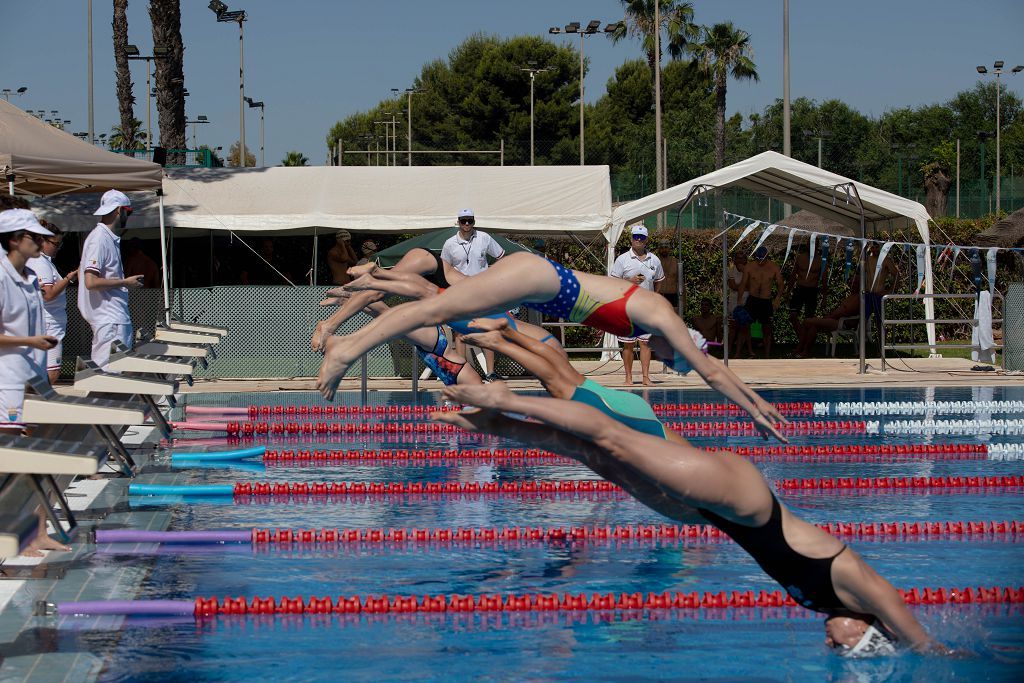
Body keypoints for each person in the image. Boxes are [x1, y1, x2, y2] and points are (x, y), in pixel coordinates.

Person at [433, 382, 942, 658]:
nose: (833, 643)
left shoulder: (834, 607)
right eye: (849, 645)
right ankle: (500, 397)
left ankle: (493, 423)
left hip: (717, 514)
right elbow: (893, 601)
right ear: (869, 630)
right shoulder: (857, 588)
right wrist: (929, 649)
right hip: (744, 503)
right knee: (613, 439)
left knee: (600, 460)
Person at [315, 252, 787, 443]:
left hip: (538, 287)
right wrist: (755, 405)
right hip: (541, 279)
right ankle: (346, 346)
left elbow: (704, 366)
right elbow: (713, 371)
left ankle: (355, 326)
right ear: (682, 345)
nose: (660, 357)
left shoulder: (654, 322)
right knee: (433, 307)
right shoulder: (663, 315)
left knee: (435, 300)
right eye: (668, 357)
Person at [456, 314, 702, 444]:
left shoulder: (690, 458)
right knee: (554, 380)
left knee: (562, 370)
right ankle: (502, 342)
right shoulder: (687, 467)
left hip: (635, 410)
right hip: (625, 415)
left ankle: (509, 333)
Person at [0, 209, 70, 557]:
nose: (43, 242)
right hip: (7, 381)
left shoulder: (27, 276)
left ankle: (36, 531)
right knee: (12, 462)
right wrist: (31, 342)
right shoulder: (1, 277)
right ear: (14, 239)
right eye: (34, 237)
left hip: (30, 375)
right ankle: (15, 535)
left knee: (40, 454)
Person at [78, 190, 144, 368]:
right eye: (128, 212)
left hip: (112, 319)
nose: (128, 216)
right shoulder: (99, 239)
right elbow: (90, 282)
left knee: (115, 378)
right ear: (118, 211)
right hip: (109, 321)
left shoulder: (105, 238)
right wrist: (125, 282)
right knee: (110, 378)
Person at [441, 209, 505, 381]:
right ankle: (464, 373)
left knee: (487, 331)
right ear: (458, 222)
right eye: (464, 221)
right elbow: (445, 270)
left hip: (483, 292)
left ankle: (490, 373)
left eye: (470, 221)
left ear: (474, 221)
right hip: (461, 293)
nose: (467, 224)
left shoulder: (484, 238)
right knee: (460, 334)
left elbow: (501, 257)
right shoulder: (449, 244)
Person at [610, 225, 665, 386]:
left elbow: (659, 281)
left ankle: (646, 377)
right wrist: (630, 281)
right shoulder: (623, 259)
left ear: (646, 239)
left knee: (645, 343)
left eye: (641, 237)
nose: (638, 240)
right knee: (628, 344)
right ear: (631, 239)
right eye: (636, 237)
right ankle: (628, 377)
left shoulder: (654, 260)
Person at [26, 221, 77, 384]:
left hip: (50, 322)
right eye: (56, 244)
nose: (58, 248)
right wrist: (68, 278)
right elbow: (48, 295)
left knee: (45, 371)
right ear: (43, 241)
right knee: (51, 373)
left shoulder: (44, 261)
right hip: (49, 323)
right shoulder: (41, 262)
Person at [737, 246, 784, 358]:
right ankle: (739, 353)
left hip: (766, 301)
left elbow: (780, 284)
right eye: (758, 259)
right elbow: (743, 284)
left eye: (762, 259)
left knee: (767, 329)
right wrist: (739, 299)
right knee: (744, 325)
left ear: (767, 256)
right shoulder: (750, 266)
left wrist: (777, 298)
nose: (760, 261)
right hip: (752, 299)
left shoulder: (774, 267)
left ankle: (767, 356)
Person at [794, 290, 860, 358]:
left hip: (842, 323)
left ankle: (801, 349)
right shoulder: (852, 296)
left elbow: (846, 312)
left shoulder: (858, 298)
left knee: (808, 321)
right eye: (852, 282)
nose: (852, 284)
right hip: (835, 320)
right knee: (812, 326)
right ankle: (804, 351)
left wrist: (831, 316)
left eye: (855, 282)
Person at [864, 243, 899, 343]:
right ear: (870, 248)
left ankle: (882, 347)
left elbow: (896, 275)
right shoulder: (866, 260)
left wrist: (890, 291)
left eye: (877, 247)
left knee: (880, 323)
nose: (875, 249)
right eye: (873, 247)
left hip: (879, 295)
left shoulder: (886, 260)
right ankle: (860, 349)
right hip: (868, 295)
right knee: (863, 321)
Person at [787, 242, 822, 342]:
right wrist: (788, 291)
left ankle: (805, 342)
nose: (812, 246)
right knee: (793, 316)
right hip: (799, 289)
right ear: (807, 245)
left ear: (817, 245)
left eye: (814, 244)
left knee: (809, 319)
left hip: (812, 290)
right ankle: (803, 338)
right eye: (810, 244)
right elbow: (793, 275)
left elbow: (824, 280)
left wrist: (824, 297)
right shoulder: (800, 258)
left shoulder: (820, 260)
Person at [727, 253, 753, 358]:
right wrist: (744, 286)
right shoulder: (730, 270)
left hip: (747, 300)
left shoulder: (750, 270)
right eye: (737, 258)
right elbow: (733, 286)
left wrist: (744, 272)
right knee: (733, 326)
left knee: (745, 326)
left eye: (742, 258)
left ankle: (744, 351)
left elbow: (752, 286)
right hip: (734, 301)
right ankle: (728, 351)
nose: (739, 260)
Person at [654, 239, 681, 311]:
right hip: (658, 296)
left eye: (666, 247)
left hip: (673, 296)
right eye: (662, 248)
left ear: (669, 249)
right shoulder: (654, 262)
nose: (664, 250)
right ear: (658, 249)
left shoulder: (676, 262)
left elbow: (681, 282)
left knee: (672, 320)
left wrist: (683, 302)